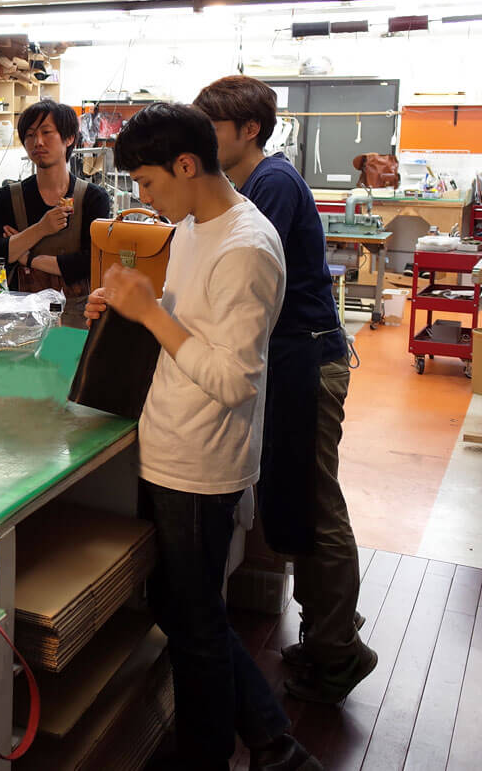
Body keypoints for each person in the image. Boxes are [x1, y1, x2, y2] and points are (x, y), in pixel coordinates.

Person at [85, 103, 320, 771]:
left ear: (186, 165)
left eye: (149, 183)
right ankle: (272, 743)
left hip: (201, 463)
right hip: (169, 442)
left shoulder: (246, 247)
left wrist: (151, 316)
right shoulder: (193, 225)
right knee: (184, 610)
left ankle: (222, 754)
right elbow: (187, 322)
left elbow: (234, 378)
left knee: (196, 629)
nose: (144, 197)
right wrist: (129, 307)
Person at [195, 75, 377, 703]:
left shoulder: (269, 183)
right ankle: (332, 632)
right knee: (302, 495)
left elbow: (238, 269)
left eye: (211, 125)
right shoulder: (256, 182)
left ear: (248, 130)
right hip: (293, 355)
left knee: (314, 499)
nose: (202, 136)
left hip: (306, 358)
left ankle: (339, 652)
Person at [0, 100, 113, 327]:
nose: (37, 142)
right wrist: (41, 229)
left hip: (77, 321)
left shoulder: (93, 198)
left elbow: (92, 261)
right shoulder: (8, 198)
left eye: (46, 132)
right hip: (22, 320)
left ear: (69, 138)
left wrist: (27, 257)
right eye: (30, 135)